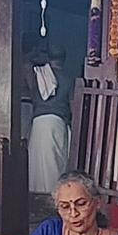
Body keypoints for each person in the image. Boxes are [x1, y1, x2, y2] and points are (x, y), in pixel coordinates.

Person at [25, 43, 76, 195]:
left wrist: (37, 56)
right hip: (58, 123)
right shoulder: (69, 78)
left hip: (38, 123)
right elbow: (73, 105)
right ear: (64, 59)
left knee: (36, 165)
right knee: (56, 164)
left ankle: (35, 198)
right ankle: (55, 197)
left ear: (48, 57)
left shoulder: (38, 74)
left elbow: (25, 63)